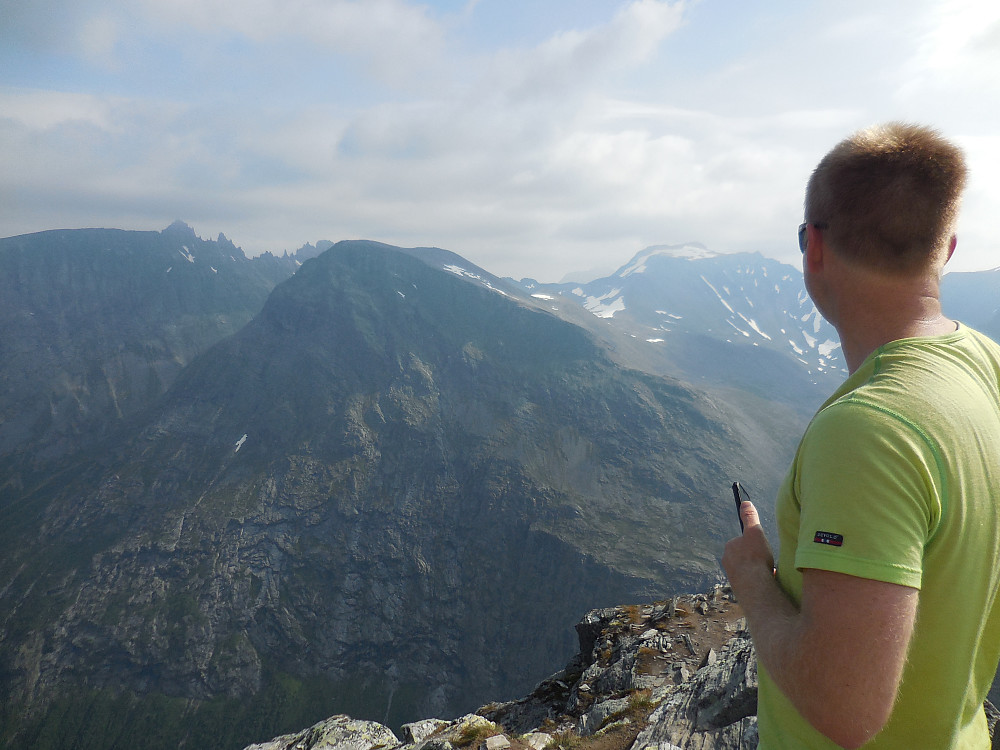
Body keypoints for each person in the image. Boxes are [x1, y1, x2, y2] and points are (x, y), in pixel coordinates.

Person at [722, 122, 1000, 749]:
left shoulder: (869, 430)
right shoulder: (987, 366)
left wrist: (754, 583)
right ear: (947, 247)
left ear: (814, 247)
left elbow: (846, 709)